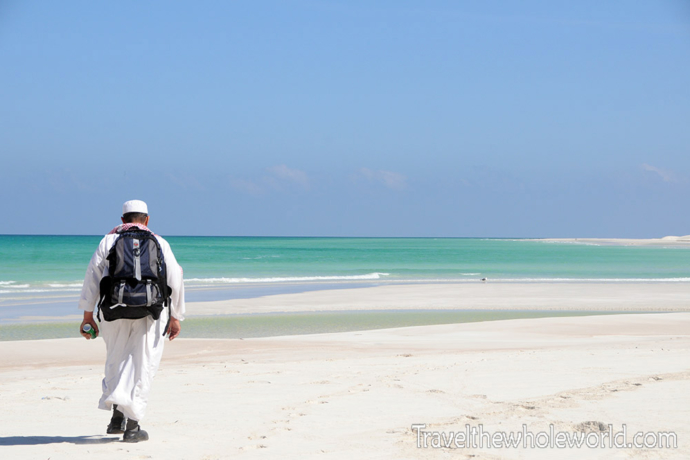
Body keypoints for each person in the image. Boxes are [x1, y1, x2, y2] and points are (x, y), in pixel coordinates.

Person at [78, 199, 185, 443]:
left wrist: (87, 315)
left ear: (122, 220)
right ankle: (133, 427)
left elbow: (92, 277)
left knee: (116, 358)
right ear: (147, 220)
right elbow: (176, 278)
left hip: (113, 311)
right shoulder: (159, 242)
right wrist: (177, 316)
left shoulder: (108, 241)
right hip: (151, 314)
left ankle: (117, 418)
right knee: (142, 364)